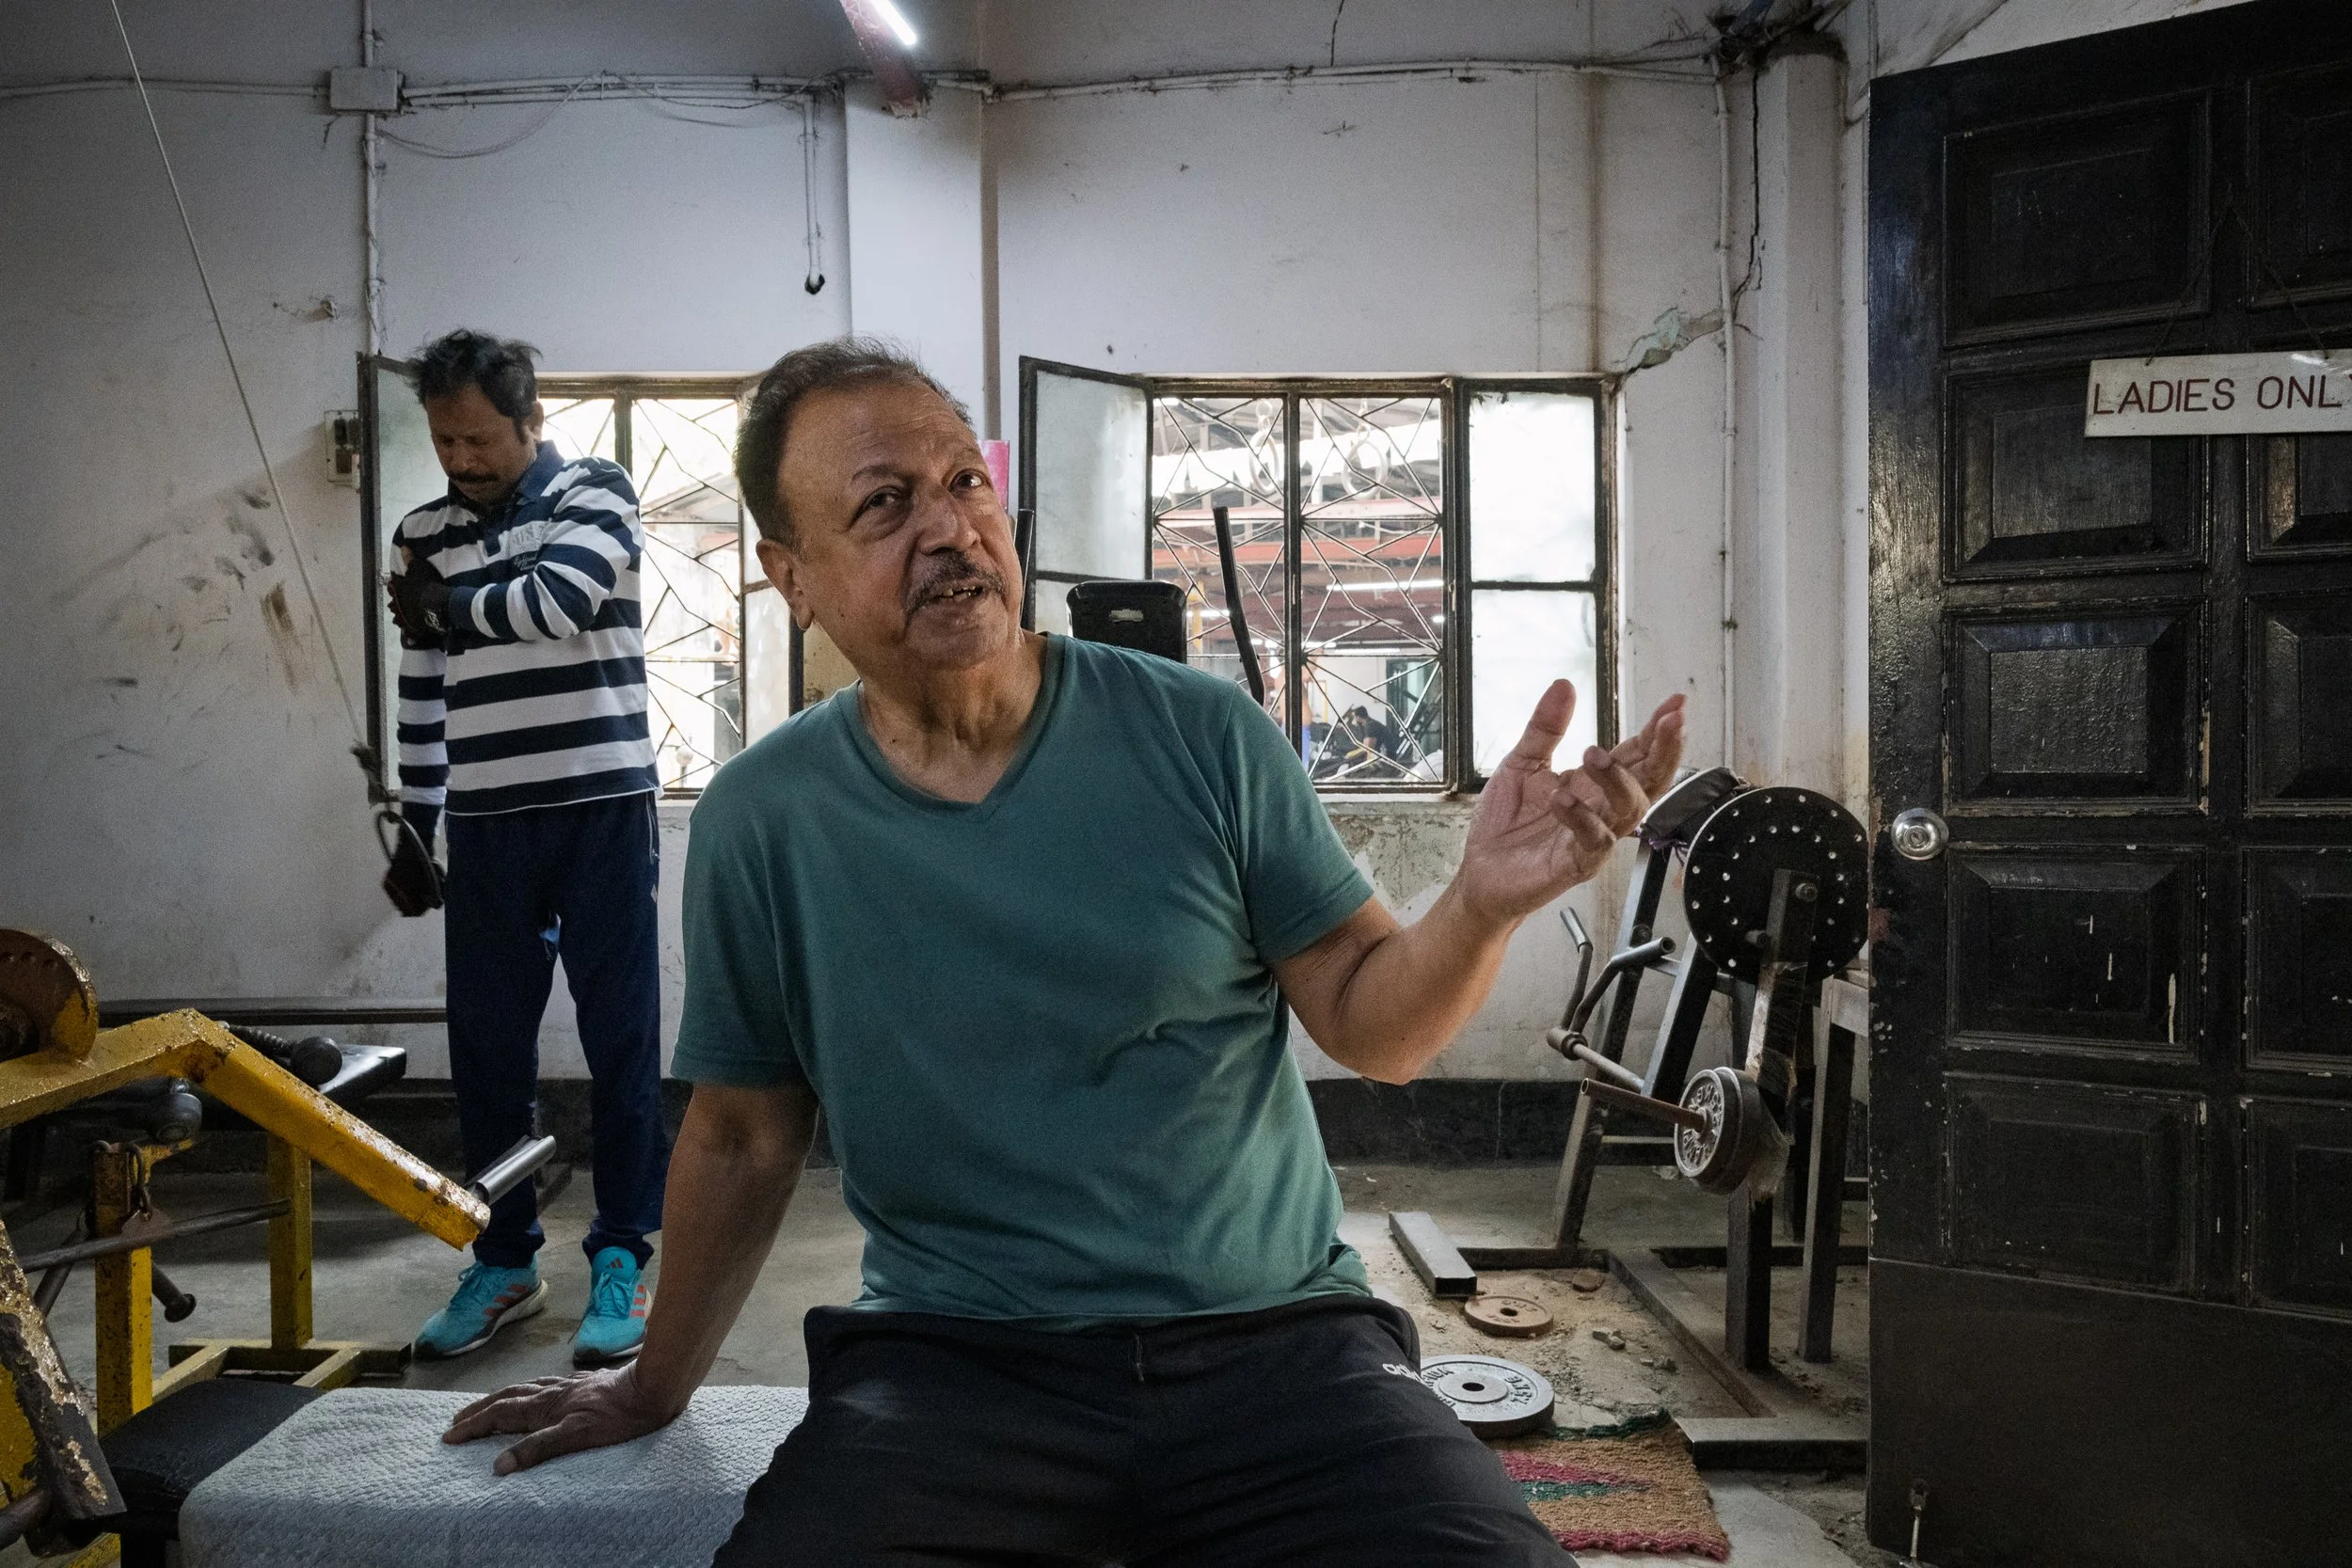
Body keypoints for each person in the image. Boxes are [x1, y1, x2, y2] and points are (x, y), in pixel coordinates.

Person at [442, 337, 1685, 1566]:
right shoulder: (766, 817)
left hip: (1282, 1354)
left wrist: (1478, 902)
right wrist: (654, 1386)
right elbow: (742, 1131)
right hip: (958, 1366)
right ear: (792, 572)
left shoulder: (1201, 734)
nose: (947, 528)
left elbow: (1378, 1025)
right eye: (884, 504)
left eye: (963, 483)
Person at [383, 329, 671, 1368]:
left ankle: (624, 1253)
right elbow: (421, 683)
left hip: (601, 804)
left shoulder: (597, 489)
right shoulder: (420, 531)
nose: (460, 457)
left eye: (479, 437)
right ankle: (505, 1256)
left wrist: (453, 605)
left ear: (530, 420)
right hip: (492, 819)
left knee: (622, 1039)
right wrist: (418, 816)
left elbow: (558, 602)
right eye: (444, 439)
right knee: (487, 1051)